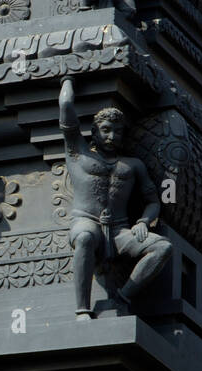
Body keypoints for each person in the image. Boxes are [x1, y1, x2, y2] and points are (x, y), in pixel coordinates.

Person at [59, 78, 171, 318]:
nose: (112, 136)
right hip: (87, 221)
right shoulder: (78, 153)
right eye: (106, 130)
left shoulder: (133, 165)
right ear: (95, 133)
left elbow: (153, 201)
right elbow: (66, 110)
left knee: (162, 247)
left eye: (118, 132)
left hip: (121, 231)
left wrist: (143, 221)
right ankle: (82, 309)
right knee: (86, 237)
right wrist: (68, 79)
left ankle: (123, 296)